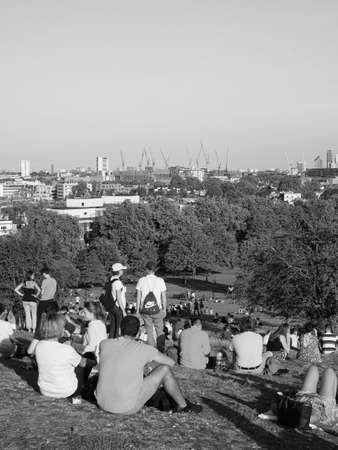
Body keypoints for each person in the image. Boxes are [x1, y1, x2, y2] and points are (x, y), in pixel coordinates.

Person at [95, 315, 202, 415]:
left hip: (101, 402)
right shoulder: (143, 349)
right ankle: (183, 405)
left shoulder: (104, 344)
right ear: (138, 333)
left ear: (119, 330)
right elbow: (171, 362)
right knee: (164, 369)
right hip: (125, 407)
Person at [35, 313, 96, 399]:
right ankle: (82, 387)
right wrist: (95, 362)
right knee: (84, 359)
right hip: (68, 391)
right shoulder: (67, 349)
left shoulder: (39, 346)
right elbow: (83, 363)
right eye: (63, 327)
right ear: (59, 330)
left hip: (45, 390)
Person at [136, 261, 167, 352]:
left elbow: (138, 297)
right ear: (155, 270)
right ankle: (161, 349)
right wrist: (164, 309)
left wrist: (138, 310)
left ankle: (151, 350)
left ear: (147, 269)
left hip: (145, 310)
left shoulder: (141, 280)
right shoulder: (160, 280)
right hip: (157, 309)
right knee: (159, 330)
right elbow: (163, 297)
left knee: (149, 331)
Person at [100, 263, 127, 338]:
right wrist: (123, 311)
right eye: (122, 270)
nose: (123, 271)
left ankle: (111, 341)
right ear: (119, 271)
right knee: (119, 327)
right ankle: (117, 344)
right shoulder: (117, 282)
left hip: (111, 306)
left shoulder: (110, 281)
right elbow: (118, 297)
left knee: (113, 326)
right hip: (117, 307)